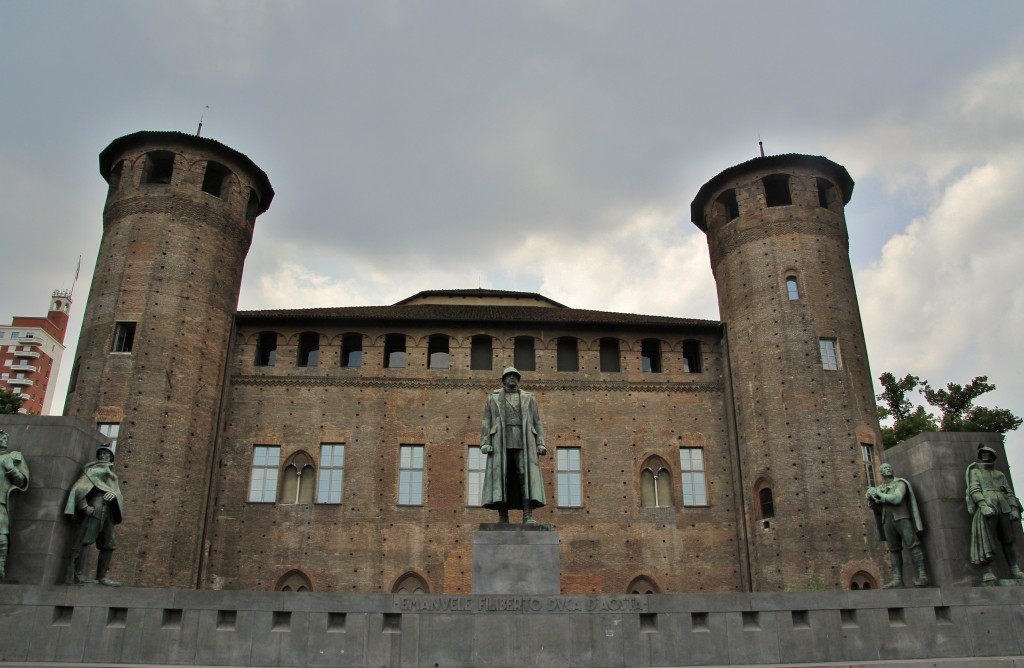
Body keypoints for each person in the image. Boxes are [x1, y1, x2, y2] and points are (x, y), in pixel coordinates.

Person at [479, 366, 547, 524]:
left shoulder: (528, 397)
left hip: (524, 440)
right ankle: (503, 516)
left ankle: (528, 514)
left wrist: (540, 443)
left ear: (518, 379)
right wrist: (484, 443)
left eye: (515, 376)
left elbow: (537, 421)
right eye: (508, 376)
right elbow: (486, 421)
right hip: (500, 441)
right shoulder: (493, 397)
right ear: (503, 380)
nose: (512, 378)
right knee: (502, 477)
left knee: (524, 475)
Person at [64, 445, 124, 586]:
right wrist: (84, 507)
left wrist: (115, 495)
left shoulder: (111, 474)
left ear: (111, 457)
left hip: (109, 508)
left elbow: (118, 493)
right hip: (96, 505)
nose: (103, 455)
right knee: (86, 539)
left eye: (106, 454)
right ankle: (78, 574)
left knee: (109, 543)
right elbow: (79, 489)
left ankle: (101, 577)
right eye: (101, 453)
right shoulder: (93, 470)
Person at [966, 444, 1024, 585]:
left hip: (1003, 507)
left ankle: (1014, 569)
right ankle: (988, 571)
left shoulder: (1000, 474)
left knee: (1008, 540)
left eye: (988, 453)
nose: (985, 456)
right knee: (986, 541)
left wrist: (1014, 508)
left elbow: (1008, 492)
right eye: (983, 453)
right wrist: (983, 505)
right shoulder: (976, 471)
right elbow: (974, 489)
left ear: (993, 456)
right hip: (987, 506)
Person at [867, 462, 928, 588]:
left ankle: (922, 575)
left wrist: (879, 494)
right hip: (887, 520)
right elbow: (878, 509)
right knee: (894, 550)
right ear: (881, 473)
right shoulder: (881, 488)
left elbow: (897, 498)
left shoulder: (900, 483)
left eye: (889, 467)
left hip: (902, 517)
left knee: (913, 545)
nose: (888, 469)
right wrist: (872, 501)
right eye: (885, 468)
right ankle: (897, 579)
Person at [0, 430, 29, 581]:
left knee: (2, 535)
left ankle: (1, 566)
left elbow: (21, 481)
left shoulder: (10, 458)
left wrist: (10, 469)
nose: (3, 440)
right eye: (1, 437)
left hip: (1, 501)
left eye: (5, 437)